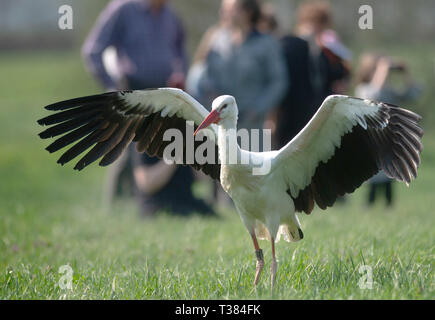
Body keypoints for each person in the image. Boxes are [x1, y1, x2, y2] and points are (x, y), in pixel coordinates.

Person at [82, 0, 213, 216]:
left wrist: (181, 72)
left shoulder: (170, 15)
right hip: (133, 90)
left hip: (164, 91)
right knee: (126, 149)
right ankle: (114, 207)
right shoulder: (123, 9)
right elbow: (93, 50)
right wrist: (114, 87)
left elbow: (180, 50)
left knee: (157, 147)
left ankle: (158, 200)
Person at [188, 0, 287, 136]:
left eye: (229, 9)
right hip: (219, 124)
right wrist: (211, 95)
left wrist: (258, 109)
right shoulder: (217, 39)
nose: (223, 13)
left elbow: (278, 82)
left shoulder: (267, 44)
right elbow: (204, 74)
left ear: (247, 12)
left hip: (251, 126)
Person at [274, 0, 351, 147]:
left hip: (312, 115)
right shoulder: (290, 46)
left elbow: (334, 76)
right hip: (291, 114)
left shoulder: (320, 51)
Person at [355, 53, 422, 207]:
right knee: (374, 178)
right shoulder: (363, 89)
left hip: (391, 141)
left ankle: (388, 208)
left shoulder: (391, 91)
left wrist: (406, 74)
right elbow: (374, 95)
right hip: (373, 142)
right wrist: (382, 69)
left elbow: (414, 94)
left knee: (389, 179)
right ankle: (369, 208)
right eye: (378, 70)